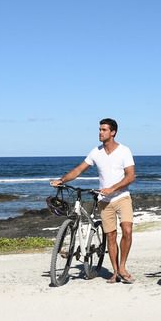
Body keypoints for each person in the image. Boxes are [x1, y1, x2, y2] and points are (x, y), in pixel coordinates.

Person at [51, 118, 136, 284]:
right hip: (104, 201)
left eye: (104, 130)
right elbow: (79, 169)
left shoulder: (124, 151)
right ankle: (116, 272)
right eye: (99, 129)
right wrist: (62, 180)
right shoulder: (96, 152)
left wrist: (113, 188)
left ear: (113, 132)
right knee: (110, 237)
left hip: (122, 197)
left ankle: (123, 266)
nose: (100, 132)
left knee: (127, 230)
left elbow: (131, 176)